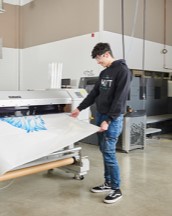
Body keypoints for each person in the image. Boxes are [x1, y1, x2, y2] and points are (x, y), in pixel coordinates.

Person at [71, 42, 132, 204]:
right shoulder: (105, 72)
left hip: (111, 118)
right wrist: (79, 108)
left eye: (99, 59)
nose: (98, 62)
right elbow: (94, 94)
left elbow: (120, 100)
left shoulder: (123, 71)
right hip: (100, 116)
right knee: (104, 151)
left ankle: (116, 189)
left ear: (106, 54)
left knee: (110, 152)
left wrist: (108, 120)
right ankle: (107, 183)